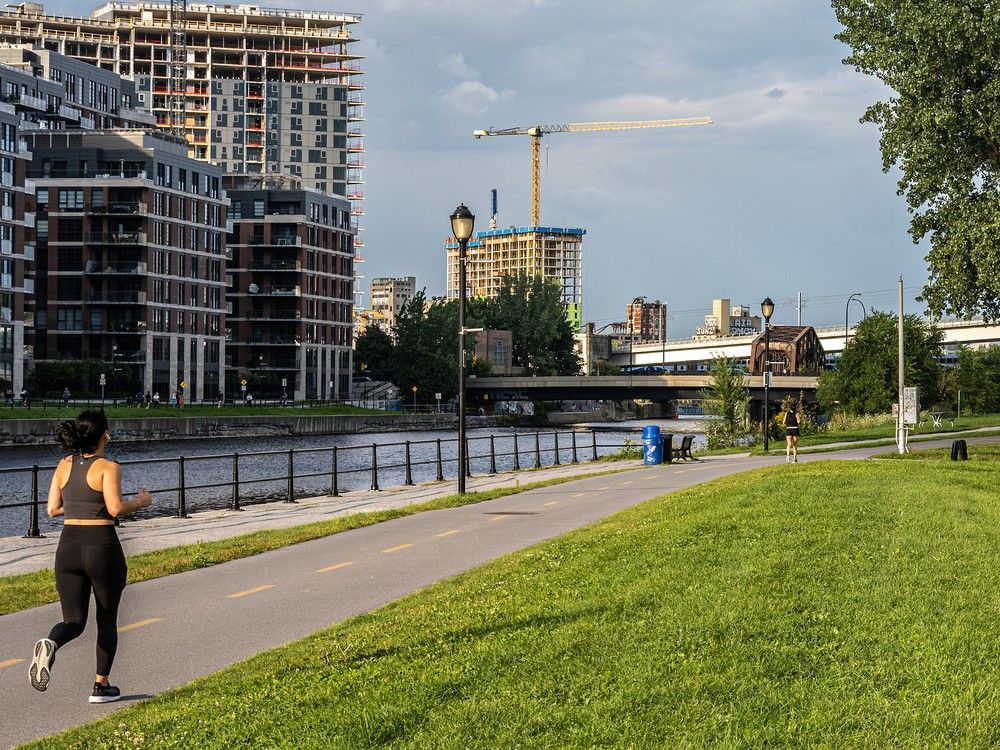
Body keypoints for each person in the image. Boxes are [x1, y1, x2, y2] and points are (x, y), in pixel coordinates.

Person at [28, 409, 153, 703]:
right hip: (101, 546)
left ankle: (51, 642)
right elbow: (114, 508)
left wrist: (78, 505)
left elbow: (52, 510)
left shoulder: (63, 464)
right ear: (104, 434)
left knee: (73, 620)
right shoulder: (109, 467)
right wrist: (140, 501)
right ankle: (101, 686)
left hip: (68, 547)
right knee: (107, 619)